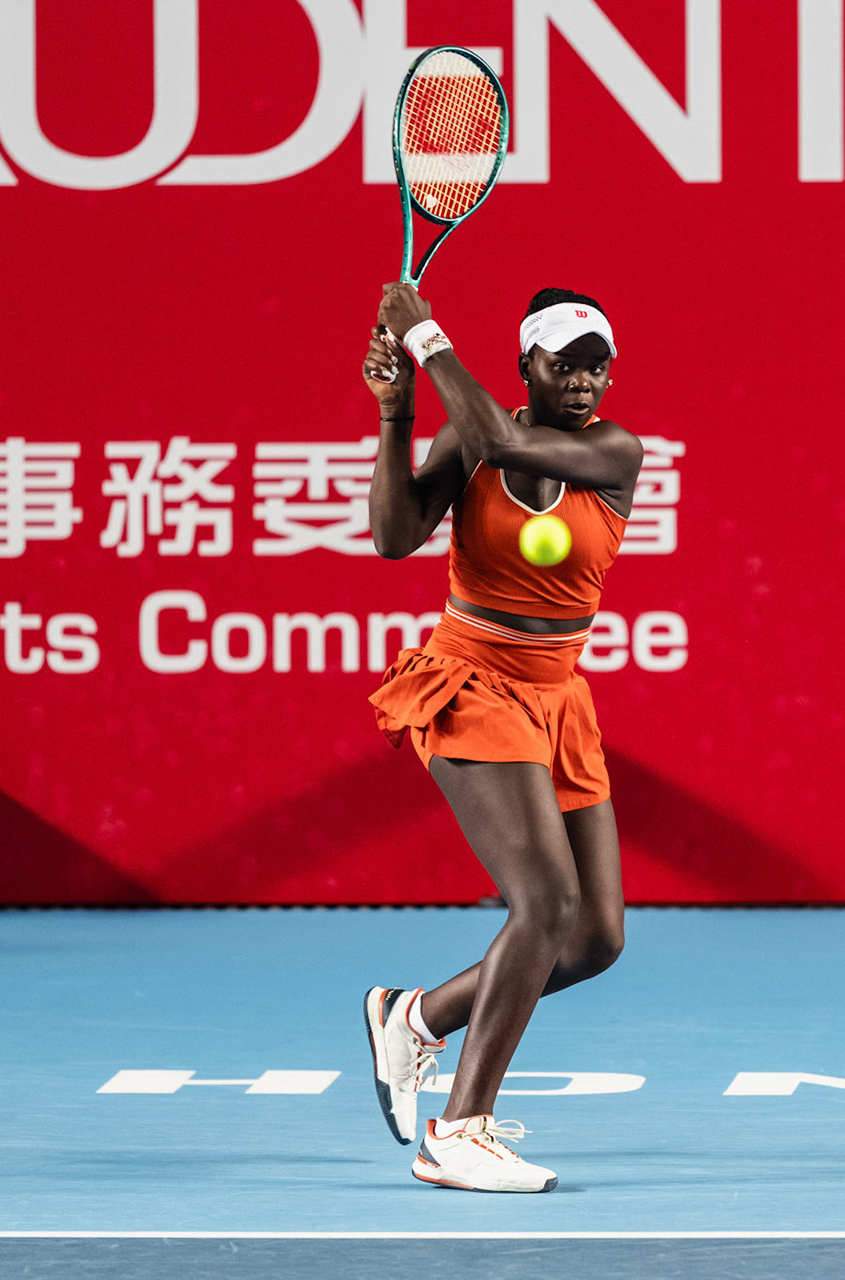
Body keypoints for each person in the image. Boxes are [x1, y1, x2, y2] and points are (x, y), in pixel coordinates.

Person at [360, 281, 643, 1193]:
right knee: (544, 904)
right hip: (472, 681)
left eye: (598, 363)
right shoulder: (467, 438)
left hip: (558, 696)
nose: (586, 380)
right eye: (566, 363)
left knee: (594, 937)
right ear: (527, 362)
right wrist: (398, 417)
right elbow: (396, 538)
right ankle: (459, 1131)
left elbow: (498, 438)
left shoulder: (613, 450)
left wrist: (426, 334)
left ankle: (415, 1017)